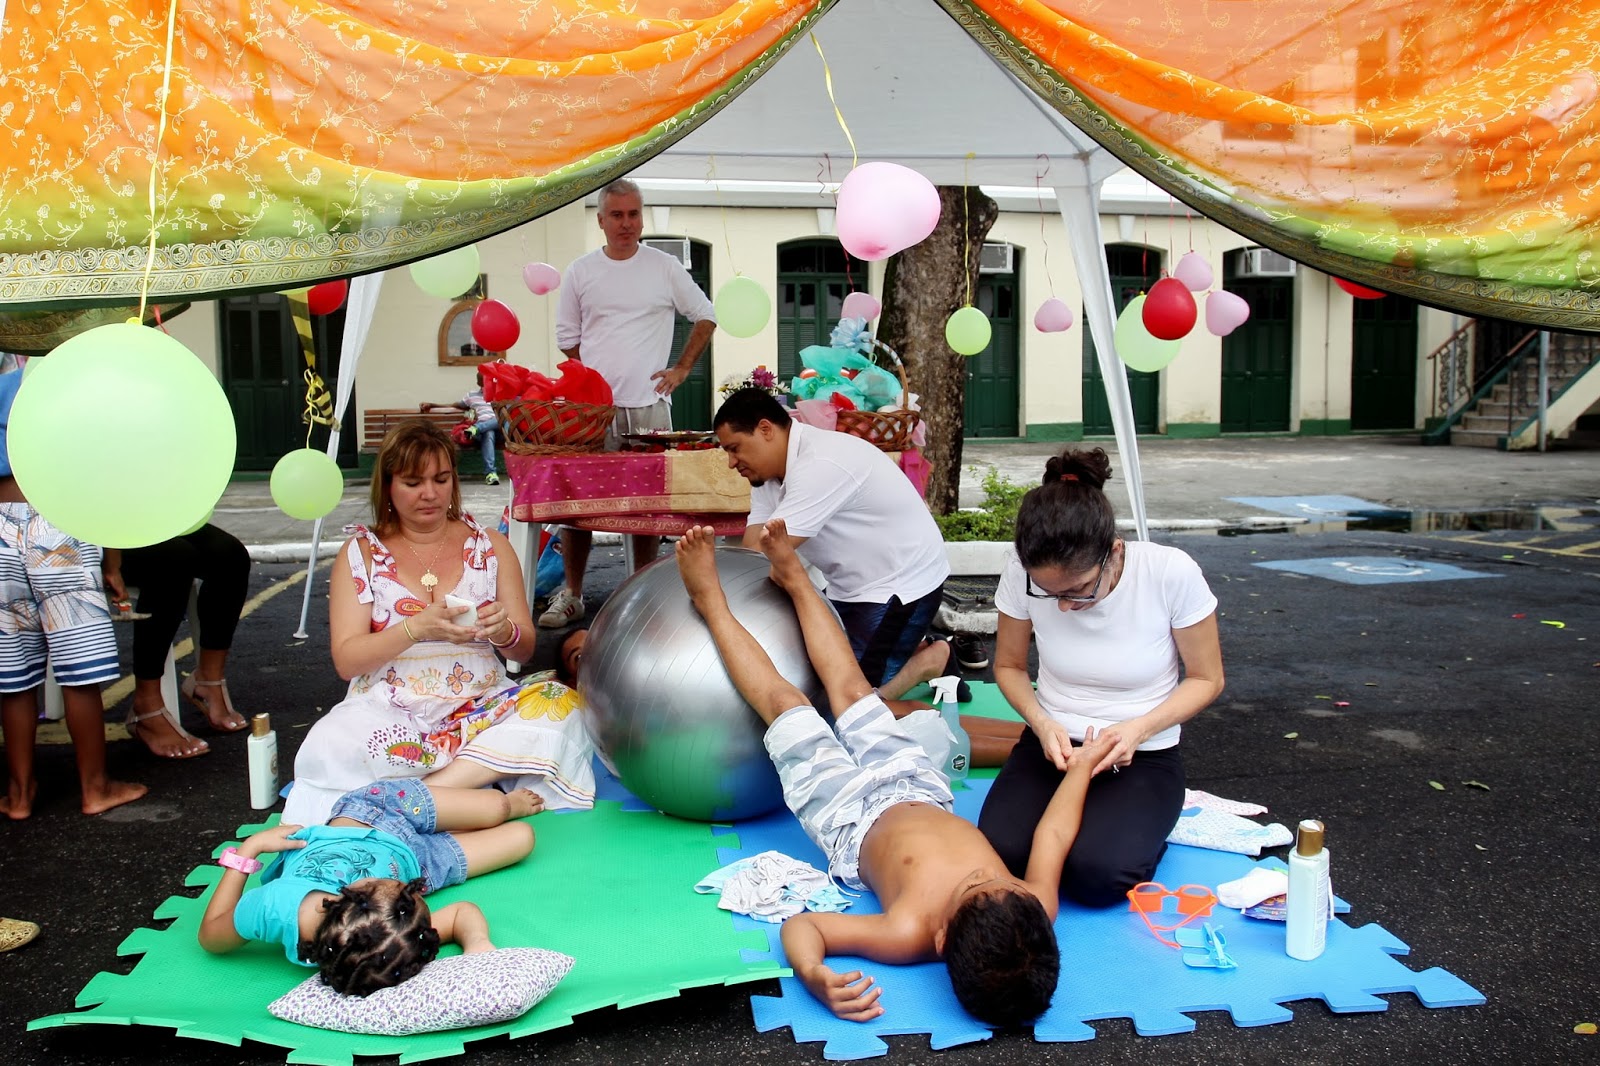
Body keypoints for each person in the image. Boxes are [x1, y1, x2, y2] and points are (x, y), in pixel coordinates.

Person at [675, 520, 1116, 1027]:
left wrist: (813, 973)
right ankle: (795, 577)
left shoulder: (906, 934)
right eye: (1001, 882)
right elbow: (1054, 833)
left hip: (849, 820)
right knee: (851, 689)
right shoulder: (1033, 906)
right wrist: (1079, 770)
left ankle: (709, 600)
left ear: (941, 939)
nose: (985, 875)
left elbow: (806, 927)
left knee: (786, 704)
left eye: (973, 887)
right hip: (919, 788)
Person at [281, 420, 595, 828]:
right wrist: (415, 629)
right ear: (388, 485)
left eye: (441, 479)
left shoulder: (491, 546)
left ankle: (420, 797)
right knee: (329, 742)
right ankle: (457, 796)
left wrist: (504, 631)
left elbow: (523, 649)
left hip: (481, 704)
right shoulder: (361, 554)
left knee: (561, 704)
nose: (430, 493)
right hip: (388, 707)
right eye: (413, 482)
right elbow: (347, 660)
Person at [977, 447, 1224, 907]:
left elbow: (1207, 679)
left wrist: (1137, 730)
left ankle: (1143, 833)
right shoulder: (1020, 569)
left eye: (1077, 591)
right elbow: (1009, 666)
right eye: (1048, 594)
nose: (1065, 606)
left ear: (1113, 552)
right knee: (1004, 855)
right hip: (1052, 745)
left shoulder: (1169, 572)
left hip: (1140, 754)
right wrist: (1042, 723)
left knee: (1096, 878)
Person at [540, 177, 718, 629]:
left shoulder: (664, 267)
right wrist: (589, 386)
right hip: (592, 414)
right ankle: (574, 594)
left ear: (642, 217)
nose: (626, 223)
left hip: (650, 407)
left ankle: (641, 591)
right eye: (616, 215)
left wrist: (681, 370)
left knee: (650, 506)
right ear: (600, 221)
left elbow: (706, 315)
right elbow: (567, 339)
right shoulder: (581, 271)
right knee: (578, 505)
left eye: (633, 214)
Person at [713, 387, 954, 703]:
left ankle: (929, 661)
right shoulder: (766, 474)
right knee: (810, 678)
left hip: (901, 587)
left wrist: (709, 592)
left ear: (765, 429)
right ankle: (915, 651)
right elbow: (751, 556)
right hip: (846, 588)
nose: (731, 462)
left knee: (847, 704)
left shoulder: (821, 464)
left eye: (735, 448)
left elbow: (768, 556)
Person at [199, 778, 538, 994]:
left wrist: (249, 849)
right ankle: (456, 818)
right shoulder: (390, 934)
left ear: (355, 892)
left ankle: (458, 793)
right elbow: (463, 911)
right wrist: (478, 944)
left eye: (399, 891)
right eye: (409, 896)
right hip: (419, 863)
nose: (411, 895)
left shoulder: (276, 906)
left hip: (377, 811)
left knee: (497, 807)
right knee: (522, 838)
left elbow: (212, 937)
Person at [558, 626, 1022, 768]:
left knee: (922, 713)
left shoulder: (654, 650)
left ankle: (1048, 736)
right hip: (795, 739)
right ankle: (1046, 750)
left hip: (807, 705)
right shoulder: (603, 713)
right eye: (579, 655)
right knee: (924, 732)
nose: (596, 655)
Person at [0, 369, 146, 818]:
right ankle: (95, 788)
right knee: (80, 669)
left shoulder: (6, 380)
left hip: (0, 519)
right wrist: (113, 563)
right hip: (57, 521)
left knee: (13, 675)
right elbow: (104, 479)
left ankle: (20, 794)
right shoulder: (78, 379)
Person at [104, 524, 254, 759]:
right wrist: (111, 561)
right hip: (80, 535)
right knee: (173, 559)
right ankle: (146, 706)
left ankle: (207, 679)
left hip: (130, 514)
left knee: (230, 554)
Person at [420, 367, 502, 486]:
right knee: (488, 433)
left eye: (489, 381)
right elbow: (455, 405)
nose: (487, 384)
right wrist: (432, 405)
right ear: (479, 383)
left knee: (498, 420)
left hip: (499, 431)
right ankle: (491, 474)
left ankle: (477, 428)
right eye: (484, 382)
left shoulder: (500, 395)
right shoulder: (472, 396)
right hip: (482, 435)